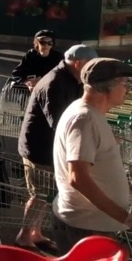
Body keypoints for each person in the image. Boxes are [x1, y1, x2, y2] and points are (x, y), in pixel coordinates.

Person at [16, 44, 98, 253]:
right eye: (89, 66)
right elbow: (59, 121)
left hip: (48, 147)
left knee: (45, 194)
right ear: (78, 63)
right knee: (39, 194)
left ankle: (34, 232)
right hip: (39, 148)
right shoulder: (55, 82)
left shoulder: (71, 78)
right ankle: (24, 236)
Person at [52, 58, 132, 254]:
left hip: (91, 226)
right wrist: (124, 217)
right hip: (87, 227)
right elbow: (77, 178)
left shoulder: (89, 114)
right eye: (125, 83)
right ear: (107, 87)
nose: (128, 89)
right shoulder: (85, 118)